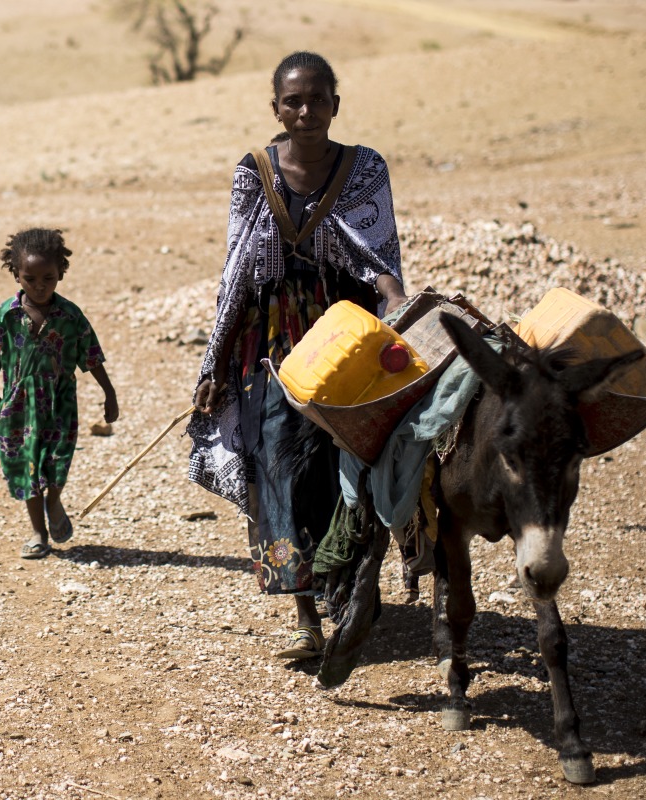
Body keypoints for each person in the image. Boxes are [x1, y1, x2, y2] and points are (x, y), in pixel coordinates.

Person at [187, 52, 407, 660]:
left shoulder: (365, 169)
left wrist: (401, 313)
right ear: (275, 109)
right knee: (278, 465)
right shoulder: (253, 172)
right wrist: (215, 364)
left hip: (347, 328)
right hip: (273, 341)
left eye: (317, 99)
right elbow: (235, 271)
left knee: (355, 458)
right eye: (293, 101)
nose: (306, 111)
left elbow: (382, 258)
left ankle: (352, 585)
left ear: (337, 104)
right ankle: (305, 612)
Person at [0, 228, 121, 559]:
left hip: (59, 404)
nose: (39, 286)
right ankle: (38, 533)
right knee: (25, 467)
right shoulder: (6, 315)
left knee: (57, 462)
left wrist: (109, 394)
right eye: (30, 278)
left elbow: (92, 357)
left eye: (48, 278)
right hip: (17, 407)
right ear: (16, 275)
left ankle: (54, 500)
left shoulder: (70, 317)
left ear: (61, 274)